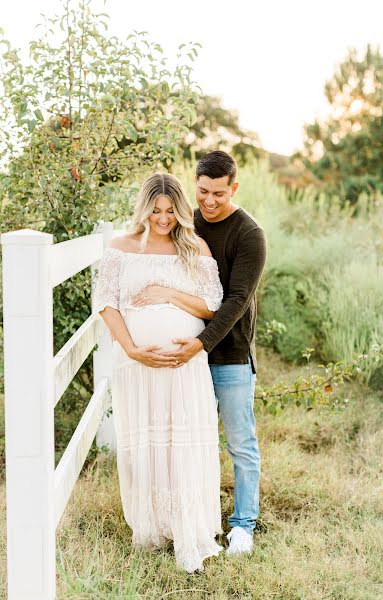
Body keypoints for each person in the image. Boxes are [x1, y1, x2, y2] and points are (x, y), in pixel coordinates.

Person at [92, 173, 224, 573]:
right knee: (147, 443)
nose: (163, 218)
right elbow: (106, 302)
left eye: (170, 211)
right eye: (155, 210)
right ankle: (151, 528)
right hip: (138, 364)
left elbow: (213, 305)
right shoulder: (121, 249)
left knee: (181, 442)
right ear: (143, 208)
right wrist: (132, 349)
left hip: (184, 365)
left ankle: (186, 530)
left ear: (180, 210)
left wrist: (167, 293)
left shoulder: (194, 248)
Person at [139, 151, 267, 555]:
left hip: (227, 355)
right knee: (188, 442)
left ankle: (243, 525)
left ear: (234, 188)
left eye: (219, 193)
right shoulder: (184, 222)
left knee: (240, 442)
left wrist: (200, 344)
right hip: (182, 361)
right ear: (194, 184)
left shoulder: (249, 234)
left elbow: (237, 300)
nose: (209, 201)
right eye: (203, 191)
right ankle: (191, 520)